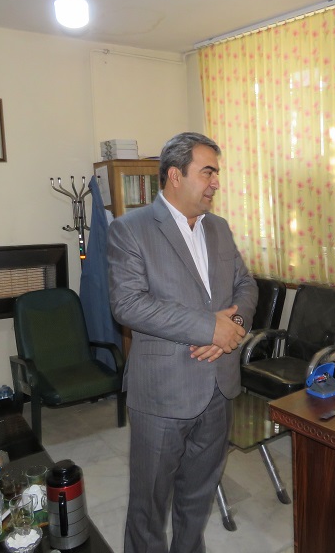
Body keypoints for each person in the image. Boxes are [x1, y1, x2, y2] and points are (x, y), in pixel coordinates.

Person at [107, 132, 258, 553]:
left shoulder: (219, 228)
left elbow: (246, 285)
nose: (216, 182)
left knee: (198, 496)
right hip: (162, 392)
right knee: (149, 506)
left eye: (216, 173)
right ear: (175, 175)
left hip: (219, 387)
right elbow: (128, 304)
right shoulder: (130, 229)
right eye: (207, 172)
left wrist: (233, 326)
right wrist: (208, 328)